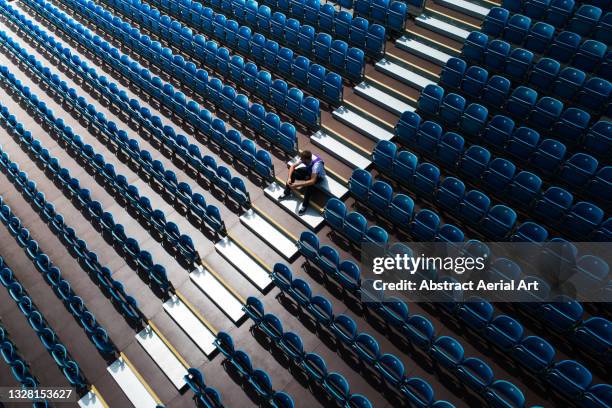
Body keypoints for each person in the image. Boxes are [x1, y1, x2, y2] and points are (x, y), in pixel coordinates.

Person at [279, 150, 325, 215]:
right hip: (309, 171)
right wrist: (289, 178)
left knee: (309, 186)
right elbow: (292, 166)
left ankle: (305, 205)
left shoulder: (316, 165)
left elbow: (312, 181)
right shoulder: (304, 158)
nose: (301, 161)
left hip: (318, 177)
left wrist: (297, 185)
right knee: (293, 173)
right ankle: (287, 192)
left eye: (302, 160)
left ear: (306, 160)